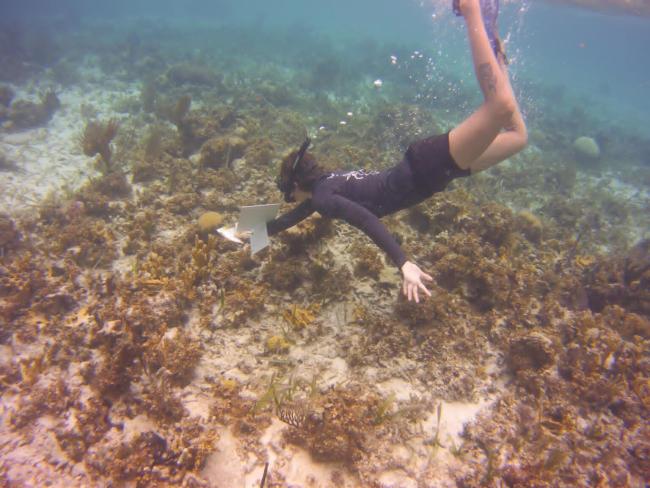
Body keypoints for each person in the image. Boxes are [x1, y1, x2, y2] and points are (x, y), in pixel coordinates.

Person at [266, 0, 528, 303]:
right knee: (518, 136)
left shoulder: (323, 197)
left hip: (428, 167)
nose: (289, 200)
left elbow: (366, 220)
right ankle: (493, 37)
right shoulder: (324, 187)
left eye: (287, 193)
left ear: (296, 184)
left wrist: (403, 262)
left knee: (500, 107)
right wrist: (253, 231)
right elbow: (293, 217)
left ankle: (470, 8)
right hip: (435, 173)